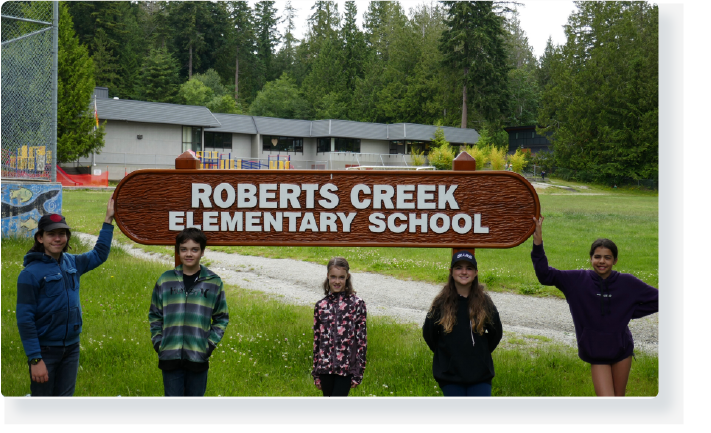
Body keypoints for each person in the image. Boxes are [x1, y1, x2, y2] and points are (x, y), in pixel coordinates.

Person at [531, 216, 658, 396]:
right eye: (597, 257)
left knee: (618, 400)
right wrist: (538, 243)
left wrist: (629, 312)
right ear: (590, 259)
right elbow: (545, 275)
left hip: (622, 351)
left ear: (615, 261)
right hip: (596, 351)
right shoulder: (576, 281)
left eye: (607, 257)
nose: (602, 261)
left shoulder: (628, 282)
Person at [16, 197, 115, 396]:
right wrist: (35, 359)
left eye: (62, 234)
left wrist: (108, 220)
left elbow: (99, 254)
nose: (58, 239)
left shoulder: (73, 263)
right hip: (45, 351)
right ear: (40, 238)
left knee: (64, 403)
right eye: (51, 234)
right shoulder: (30, 274)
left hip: (71, 348)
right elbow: (25, 319)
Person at [148, 228, 229, 396]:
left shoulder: (213, 282)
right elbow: (155, 314)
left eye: (194, 249)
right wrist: (159, 343)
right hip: (169, 356)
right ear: (178, 251)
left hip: (198, 356)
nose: (189, 254)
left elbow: (221, 318)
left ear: (202, 252)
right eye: (184, 249)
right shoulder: (165, 280)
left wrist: (209, 345)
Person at [422, 251, 503, 397]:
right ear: (451, 272)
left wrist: (480, 352)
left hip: (480, 376)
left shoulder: (485, 303)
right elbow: (429, 334)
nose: (464, 272)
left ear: (476, 273)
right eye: (459, 267)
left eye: (469, 268)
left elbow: (496, 333)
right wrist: (447, 356)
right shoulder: (441, 303)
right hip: (450, 376)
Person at [312, 257, 367, 397]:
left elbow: (361, 341)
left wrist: (358, 372)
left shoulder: (357, 304)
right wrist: (316, 372)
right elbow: (317, 341)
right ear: (328, 277)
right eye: (333, 277)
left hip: (346, 369)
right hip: (325, 369)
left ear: (347, 277)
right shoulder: (321, 306)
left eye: (341, 277)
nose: (337, 281)